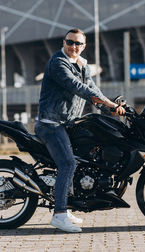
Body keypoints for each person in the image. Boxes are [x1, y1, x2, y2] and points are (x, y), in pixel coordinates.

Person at [35, 28, 125, 233]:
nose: (74, 46)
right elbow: (78, 87)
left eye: (78, 44)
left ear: (84, 47)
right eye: (70, 42)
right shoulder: (58, 63)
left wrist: (112, 108)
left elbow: (94, 90)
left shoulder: (83, 66)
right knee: (68, 162)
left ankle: (65, 209)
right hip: (51, 124)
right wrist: (108, 103)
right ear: (64, 42)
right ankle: (59, 215)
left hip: (67, 124)